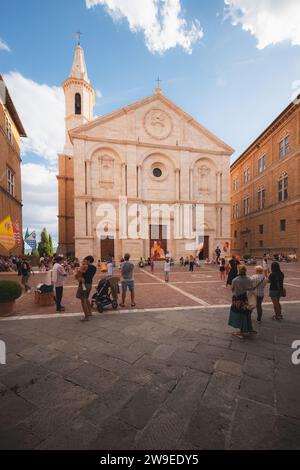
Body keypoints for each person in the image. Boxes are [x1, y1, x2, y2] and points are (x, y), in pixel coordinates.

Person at [228, 265, 257, 339]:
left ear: (238, 270)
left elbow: (232, 289)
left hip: (237, 298)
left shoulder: (235, 280)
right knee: (246, 312)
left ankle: (242, 331)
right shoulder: (249, 279)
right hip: (244, 297)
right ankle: (249, 328)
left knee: (238, 314)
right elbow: (250, 288)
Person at [76, 256, 97, 322]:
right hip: (89, 284)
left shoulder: (85, 266)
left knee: (83, 300)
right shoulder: (94, 268)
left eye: (85, 261)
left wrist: (79, 270)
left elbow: (78, 275)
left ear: (88, 261)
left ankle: (86, 317)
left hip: (83, 284)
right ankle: (90, 312)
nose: (84, 262)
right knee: (86, 298)